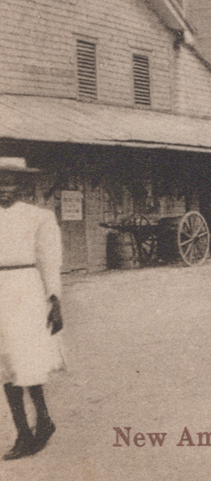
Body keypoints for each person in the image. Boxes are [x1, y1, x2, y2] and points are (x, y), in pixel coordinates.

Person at [0, 158, 63, 461]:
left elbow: (49, 260)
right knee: (6, 363)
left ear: (22, 185)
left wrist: (54, 299)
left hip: (25, 288)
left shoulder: (39, 217)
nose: (2, 188)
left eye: (8, 181)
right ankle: (27, 430)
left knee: (26, 358)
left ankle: (38, 424)